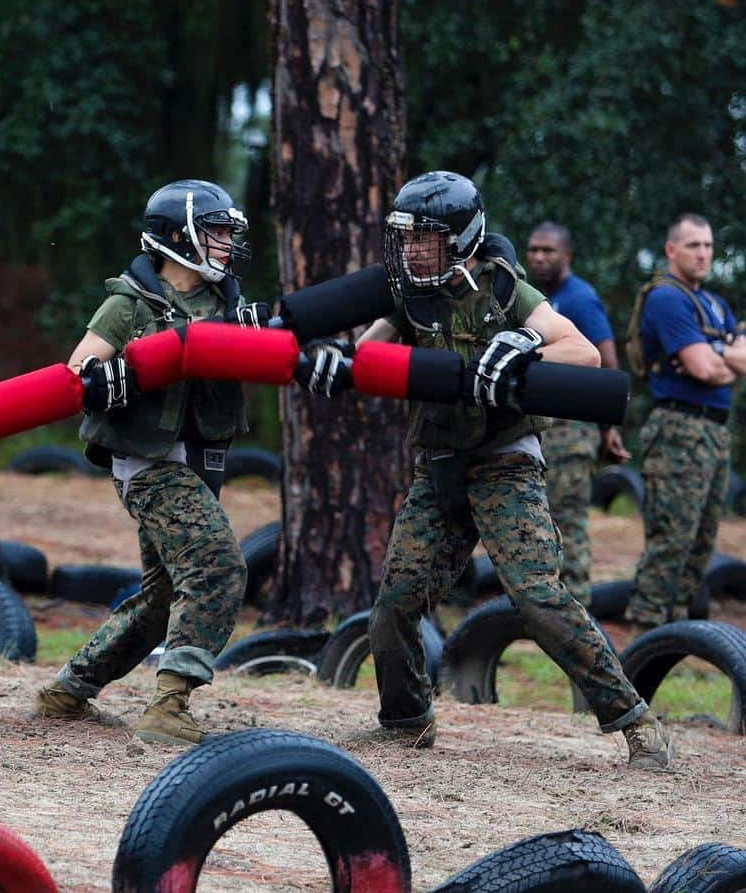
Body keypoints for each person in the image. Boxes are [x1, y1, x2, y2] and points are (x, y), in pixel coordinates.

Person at [300, 171, 671, 769]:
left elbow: (582, 351)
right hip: (438, 468)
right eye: (406, 238)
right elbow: (368, 354)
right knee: (395, 602)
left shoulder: (503, 287)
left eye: (425, 238)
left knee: (538, 598)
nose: (411, 250)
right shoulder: (407, 292)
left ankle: (637, 723)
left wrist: (525, 341)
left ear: (463, 236)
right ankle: (405, 722)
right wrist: (333, 363)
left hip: (505, 465)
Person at [34, 179, 270, 747]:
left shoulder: (228, 305)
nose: (225, 244)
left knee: (165, 592)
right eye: (215, 232)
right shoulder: (130, 303)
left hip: (201, 462)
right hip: (148, 465)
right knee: (216, 567)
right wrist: (106, 381)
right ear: (177, 238)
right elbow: (78, 372)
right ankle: (170, 703)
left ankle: (71, 688)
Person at [625, 213, 746, 628]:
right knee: (670, 544)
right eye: (694, 245)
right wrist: (722, 351)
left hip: (714, 431)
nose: (704, 254)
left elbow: (738, 362)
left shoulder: (716, 304)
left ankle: (671, 642)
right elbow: (706, 370)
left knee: (699, 547)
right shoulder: (666, 298)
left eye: (709, 245)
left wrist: (720, 353)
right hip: (679, 429)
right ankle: (642, 642)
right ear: (671, 250)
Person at [525, 221, 629, 606]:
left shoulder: (581, 298)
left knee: (567, 525)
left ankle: (579, 609)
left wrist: (608, 427)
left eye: (548, 251)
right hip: (540, 427)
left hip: (572, 433)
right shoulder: (530, 298)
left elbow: (608, 362)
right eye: (533, 249)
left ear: (566, 255)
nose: (538, 257)